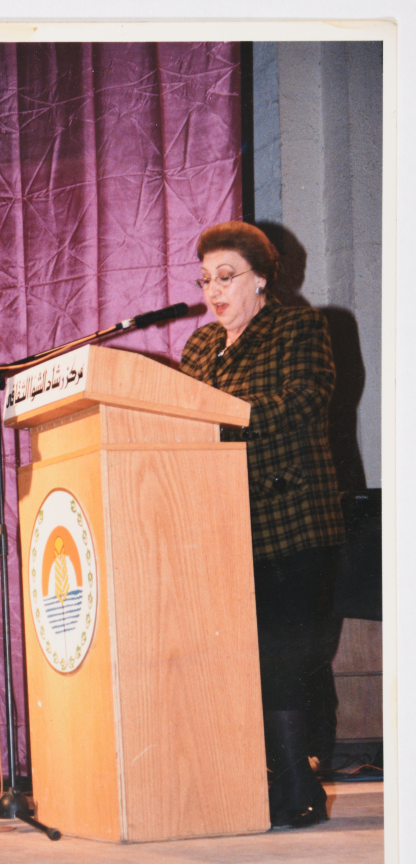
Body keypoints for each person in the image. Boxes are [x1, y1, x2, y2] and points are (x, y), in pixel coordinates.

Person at [179, 221, 345, 829]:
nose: (213, 291)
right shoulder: (200, 346)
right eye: (205, 280)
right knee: (239, 660)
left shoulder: (299, 327)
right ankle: (251, 784)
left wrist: (218, 418)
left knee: (284, 657)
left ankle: (300, 788)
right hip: (223, 524)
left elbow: (303, 401)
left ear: (261, 280)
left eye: (226, 277)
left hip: (292, 522)